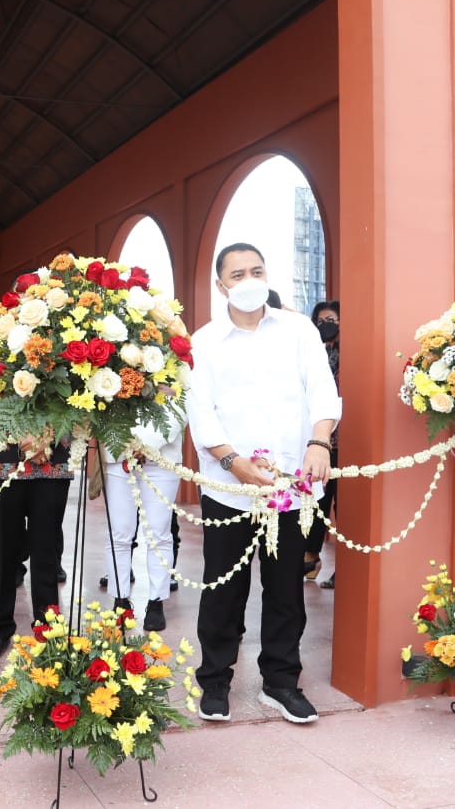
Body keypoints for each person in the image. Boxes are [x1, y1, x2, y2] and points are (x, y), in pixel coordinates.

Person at [188, 242, 340, 725]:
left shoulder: (298, 330)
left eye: (256, 270)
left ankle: (280, 682)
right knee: (223, 587)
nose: (248, 280)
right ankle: (214, 681)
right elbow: (200, 412)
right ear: (221, 285)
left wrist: (320, 443)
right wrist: (232, 462)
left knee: (285, 589)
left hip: (291, 484)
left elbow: (322, 389)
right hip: (229, 486)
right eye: (237, 274)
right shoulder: (204, 341)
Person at [0, 430, 74, 662]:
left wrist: (47, 436)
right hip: (3, 457)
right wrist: (19, 436)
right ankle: (0, 627)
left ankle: (47, 626)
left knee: (46, 550)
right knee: (3, 549)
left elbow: (77, 404)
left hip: (51, 461)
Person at [101, 413, 184, 632]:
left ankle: (156, 602)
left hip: (162, 456)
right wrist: (126, 442)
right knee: (119, 533)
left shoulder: (183, 375)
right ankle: (120, 600)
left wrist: (145, 444)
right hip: (119, 452)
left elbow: (180, 403)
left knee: (159, 533)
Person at [307, 300, 339, 588]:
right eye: (319, 320)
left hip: (342, 442)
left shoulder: (345, 352)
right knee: (317, 501)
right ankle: (310, 557)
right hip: (315, 444)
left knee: (342, 508)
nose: (324, 325)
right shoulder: (313, 349)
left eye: (330, 320)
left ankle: (341, 567)